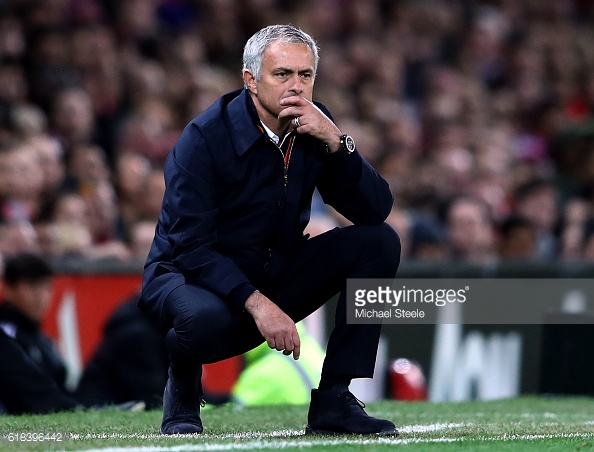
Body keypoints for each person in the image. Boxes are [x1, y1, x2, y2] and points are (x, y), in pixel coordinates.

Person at [139, 25, 401, 436]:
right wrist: (259, 305)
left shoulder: (316, 126)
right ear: (251, 80)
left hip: (270, 269)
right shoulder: (204, 138)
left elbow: (375, 210)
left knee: (379, 243)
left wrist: (337, 140)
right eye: (283, 74)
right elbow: (190, 247)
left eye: (306, 75)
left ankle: (335, 397)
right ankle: (184, 392)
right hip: (188, 278)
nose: (296, 86)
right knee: (201, 321)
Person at [0, 252, 78, 414]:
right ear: (8, 288)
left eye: (46, 287)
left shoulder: (44, 340)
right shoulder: (7, 335)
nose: (41, 296)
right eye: (32, 286)